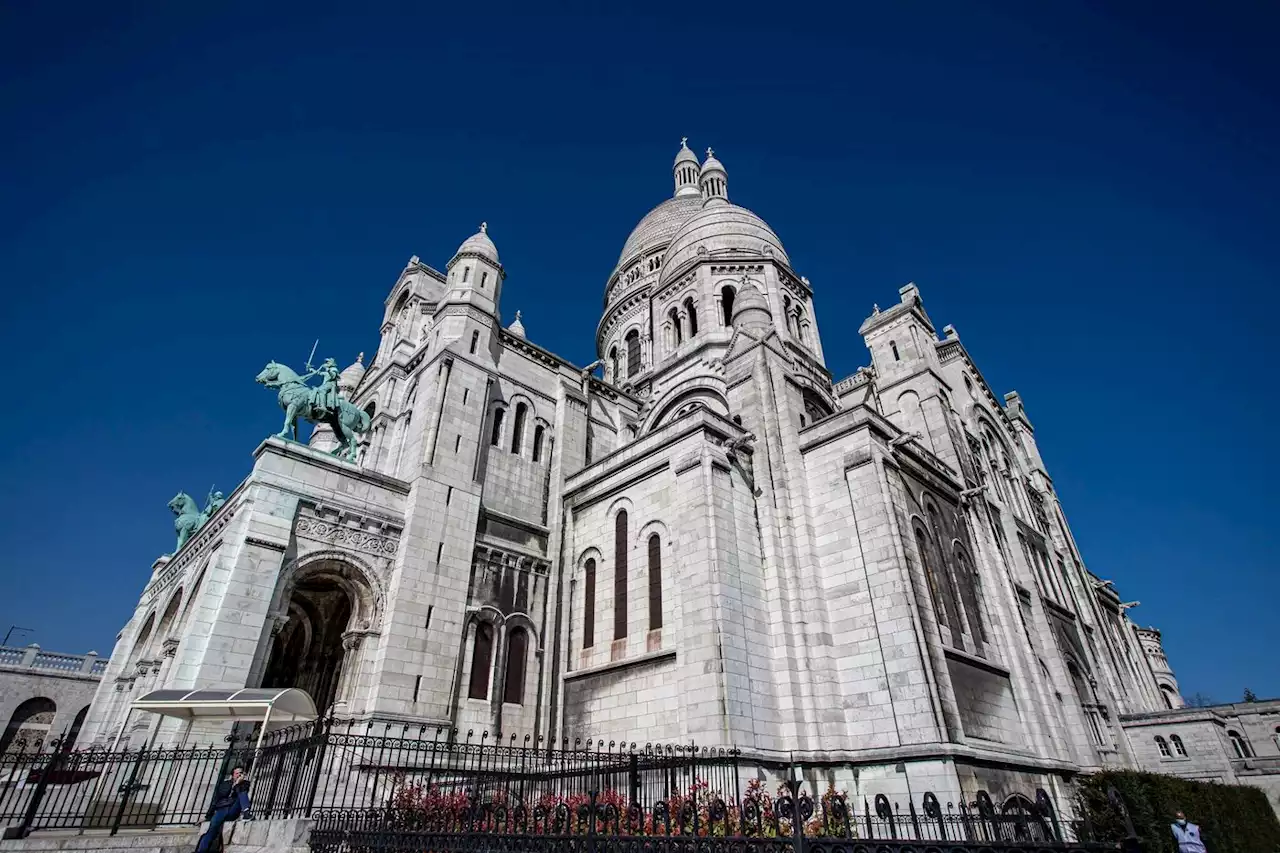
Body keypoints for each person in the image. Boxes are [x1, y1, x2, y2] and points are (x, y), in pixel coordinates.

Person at [195, 766, 251, 853]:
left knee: (242, 793)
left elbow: (242, 792)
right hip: (222, 809)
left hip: (234, 809)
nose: (239, 775)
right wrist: (207, 816)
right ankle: (201, 850)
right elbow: (218, 798)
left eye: (241, 773)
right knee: (212, 829)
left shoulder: (245, 783)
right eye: (237, 773)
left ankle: (246, 812)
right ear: (232, 775)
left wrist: (238, 784)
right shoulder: (225, 784)